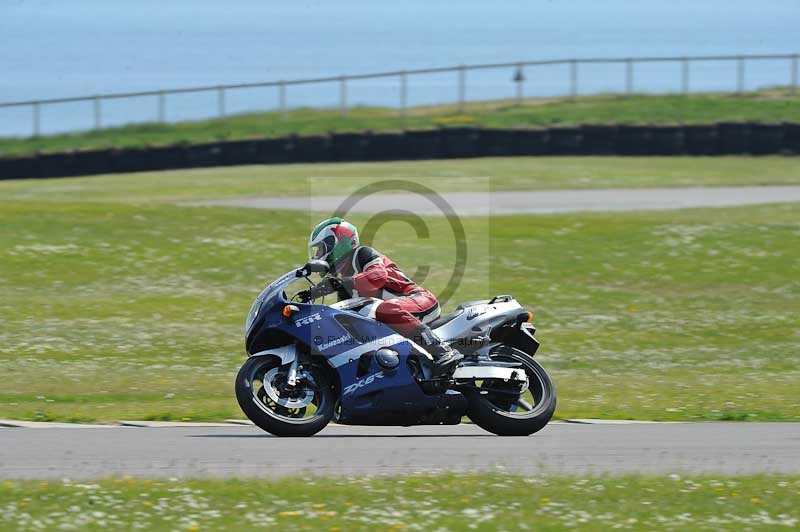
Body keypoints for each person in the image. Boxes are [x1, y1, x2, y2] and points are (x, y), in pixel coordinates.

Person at [302, 217, 463, 375]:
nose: (318, 255)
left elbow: (378, 276)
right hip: (397, 314)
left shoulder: (362, 254)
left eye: (321, 249)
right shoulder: (344, 280)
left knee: (385, 308)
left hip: (419, 300)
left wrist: (340, 283)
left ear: (338, 243)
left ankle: (442, 351)